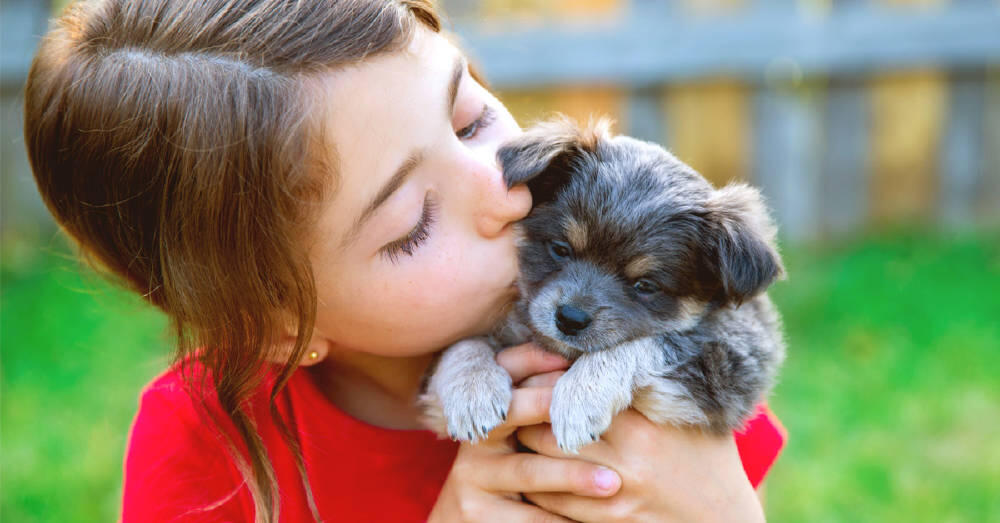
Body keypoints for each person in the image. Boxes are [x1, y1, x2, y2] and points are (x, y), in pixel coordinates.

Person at [24, 0, 786, 521]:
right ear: (277, 325)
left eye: (470, 117)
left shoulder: (650, 376)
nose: (504, 191)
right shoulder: (200, 446)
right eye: (412, 225)